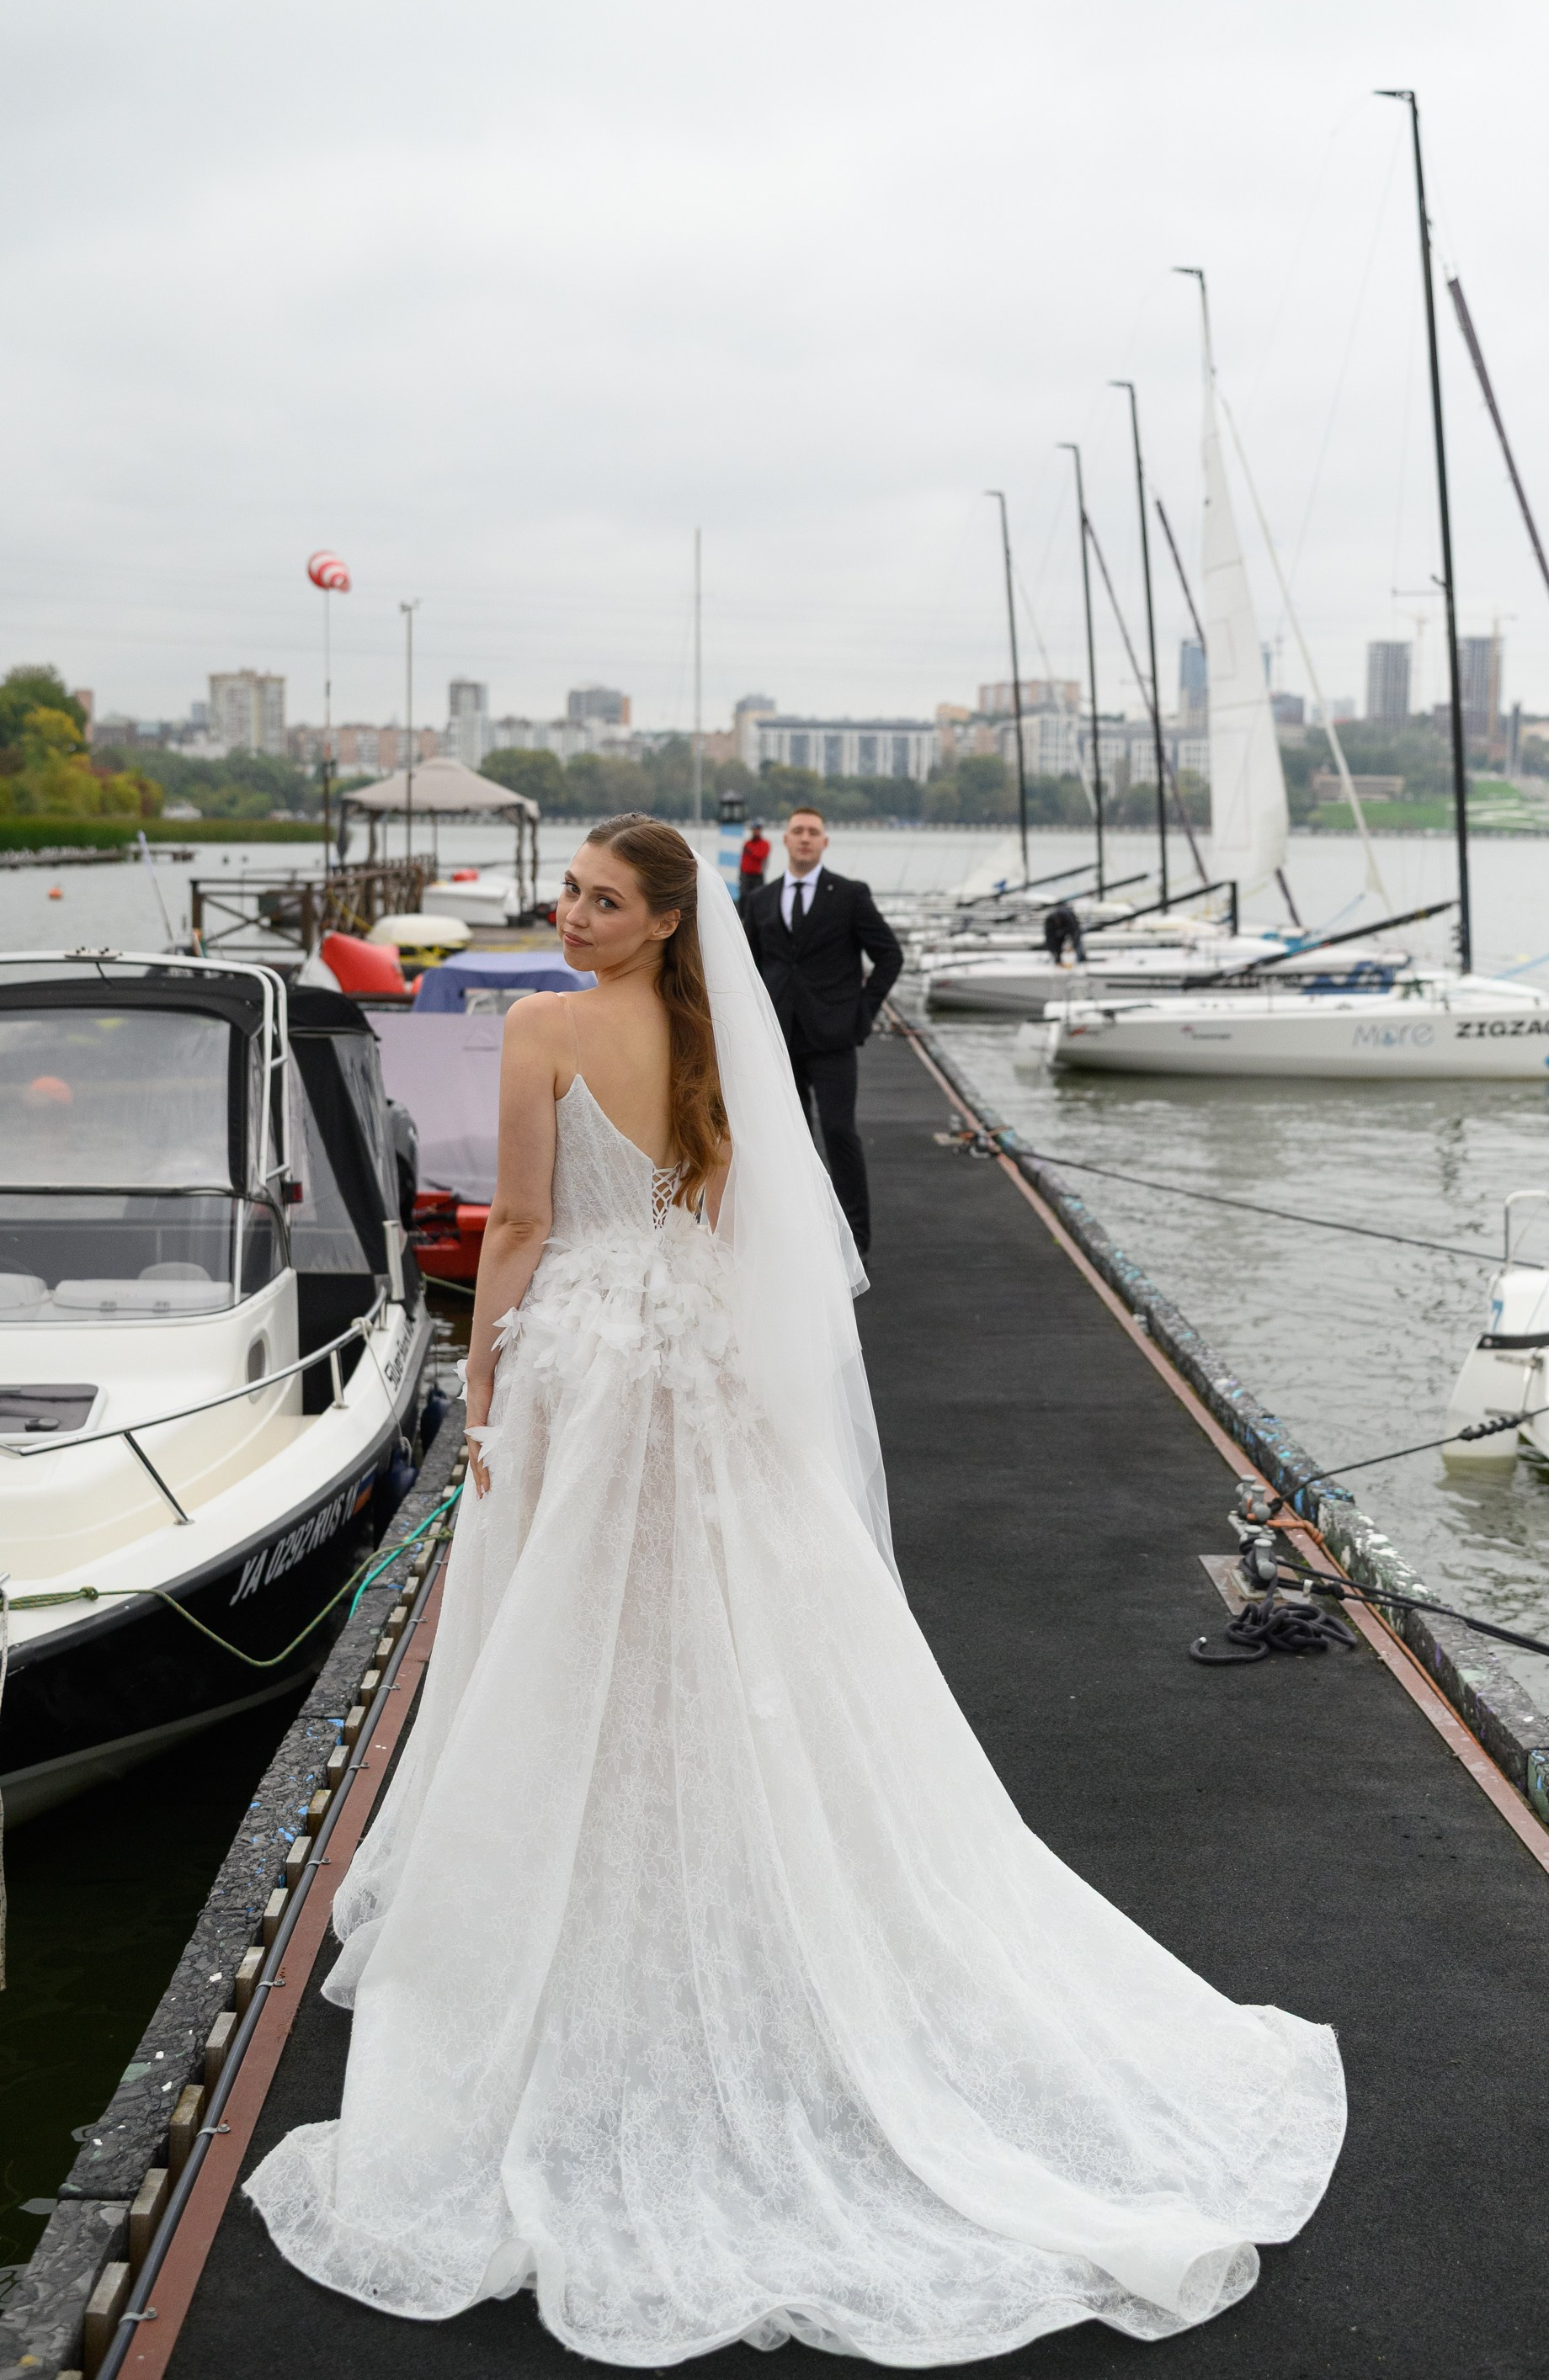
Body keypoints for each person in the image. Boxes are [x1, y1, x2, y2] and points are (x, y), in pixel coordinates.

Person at [246, 812, 1344, 2365]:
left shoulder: (547, 1028)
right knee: (725, 1623)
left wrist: (480, 1396)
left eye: (597, 899)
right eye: (566, 891)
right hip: (698, 1364)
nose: (568, 914)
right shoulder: (707, 1037)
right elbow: (741, 1228)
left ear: (650, 920)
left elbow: (528, 1235)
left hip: (582, 1364)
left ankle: (577, 1903)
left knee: (568, 1634)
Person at [742, 804, 902, 1257]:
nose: (806, 838)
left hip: (833, 1036)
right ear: (786, 840)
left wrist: (863, 1012)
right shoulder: (761, 900)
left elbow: (889, 955)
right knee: (789, 1138)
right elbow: (746, 967)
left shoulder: (849, 895)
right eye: (798, 831)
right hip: (778, 1036)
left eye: (814, 831)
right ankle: (799, 1228)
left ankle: (856, 1235)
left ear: (824, 842)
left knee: (839, 1131)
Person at [737, 815, 770, 895]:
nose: (755, 831)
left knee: (757, 898)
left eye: (757, 829)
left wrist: (751, 852)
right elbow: (743, 860)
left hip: (757, 876)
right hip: (746, 876)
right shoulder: (747, 843)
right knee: (744, 899)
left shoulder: (765, 844)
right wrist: (741, 874)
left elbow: (761, 855)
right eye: (754, 829)